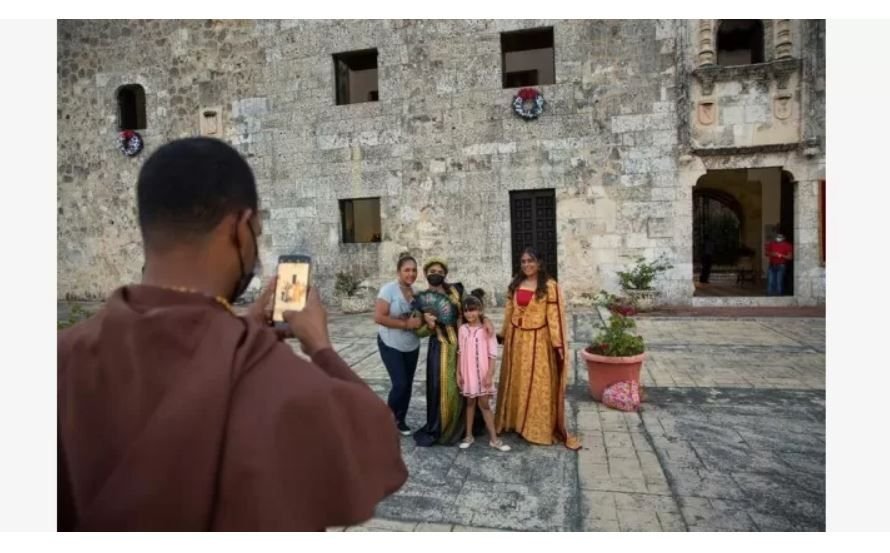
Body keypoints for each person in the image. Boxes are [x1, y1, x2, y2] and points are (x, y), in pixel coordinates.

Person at [57, 137, 407, 531]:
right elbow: (379, 457)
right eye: (256, 231)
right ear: (241, 229)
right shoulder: (280, 383)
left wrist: (244, 325)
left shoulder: (63, 357)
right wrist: (319, 346)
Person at [495, 247, 580, 450]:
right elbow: (509, 311)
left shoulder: (550, 286)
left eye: (530, 261)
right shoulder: (516, 283)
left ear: (539, 263)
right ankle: (513, 422)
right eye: (523, 261)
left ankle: (535, 428)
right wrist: (503, 333)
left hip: (538, 341)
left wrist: (558, 344)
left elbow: (554, 317)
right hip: (516, 340)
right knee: (516, 380)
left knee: (536, 382)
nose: (526, 265)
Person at [412, 258, 493, 447]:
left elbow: (472, 308)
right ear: (426, 273)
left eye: (440, 271)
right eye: (432, 271)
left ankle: (466, 428)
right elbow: (418, 331)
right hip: (440, 349)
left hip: (465, 345)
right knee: (443, 389)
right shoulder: (421, 300)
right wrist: (430, 325)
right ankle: (444, 428)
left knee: (465, 386)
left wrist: (486, 319)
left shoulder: (456, 291)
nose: (436, 274)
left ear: (445, 274)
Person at [374, 253, 423, 436]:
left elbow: (420, 318)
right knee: (400, 383)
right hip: (390, 342)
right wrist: (405, 324)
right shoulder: (388, 290)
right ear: (399, 272)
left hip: (411, 344)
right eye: (407, 270)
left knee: (408, 384)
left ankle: (400, 420)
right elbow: (378, 317)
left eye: (414, 270)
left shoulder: (417, 293)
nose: (410, 274)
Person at [457, 290, 510, 452]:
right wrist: (458, 373)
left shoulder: (487, 331)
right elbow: (460, 352)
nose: (469, 313)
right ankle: (468, 436)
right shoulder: (463, 330)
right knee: (470, 403)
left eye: (472, 309)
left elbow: (492, 354)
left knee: (485, 404)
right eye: (466, 310)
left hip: (482, 373)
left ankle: (494, 439)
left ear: (480, 310)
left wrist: (489, 374)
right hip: (468, 373)